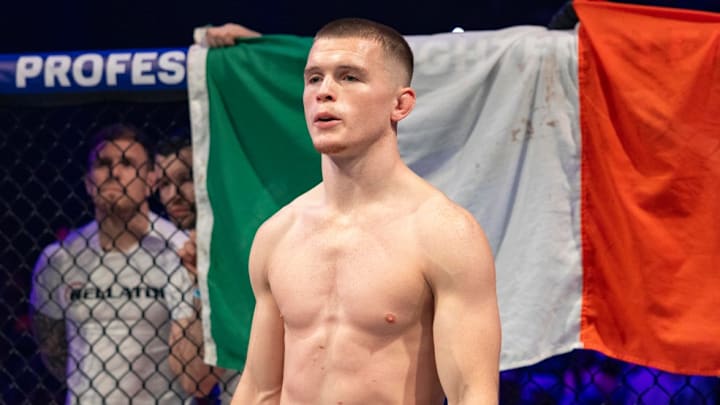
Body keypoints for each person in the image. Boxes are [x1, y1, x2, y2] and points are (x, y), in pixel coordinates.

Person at [231, 18, 501, 405]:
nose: (324, 92)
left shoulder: (444, 233)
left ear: (400, 104)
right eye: (314, 78)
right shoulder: (278, 234)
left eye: (349, 77)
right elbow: (260, 390)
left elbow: (472, 394)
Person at [30, 123, 215, 404]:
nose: (114, 173)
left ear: (151, 181)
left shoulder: (179, 251)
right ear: (88, 182)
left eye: (127, 163)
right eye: (103, 164)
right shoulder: (59, 259)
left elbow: (196, 367)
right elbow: (52, 349)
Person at [154, 131, 243, 404]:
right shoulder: (181, 260)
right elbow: (195, 379)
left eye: (185, 179)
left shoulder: (254, 235)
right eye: (164, 184)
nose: (173, 195)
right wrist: (202, 286)